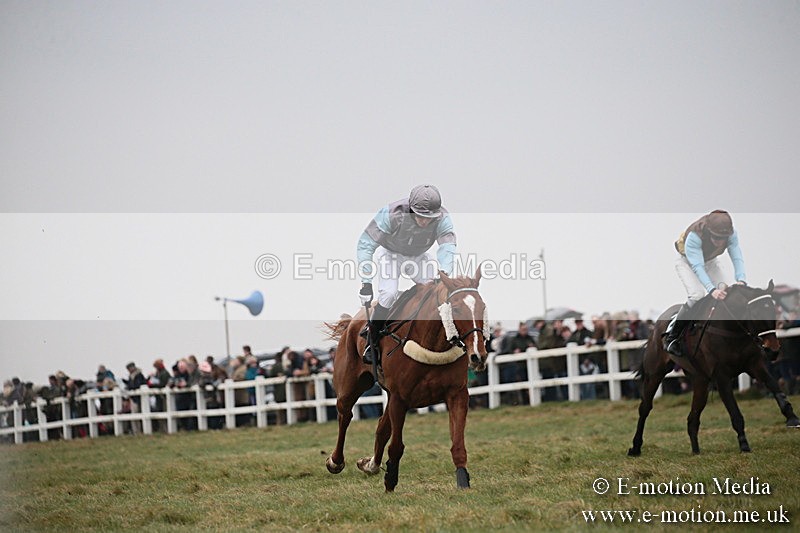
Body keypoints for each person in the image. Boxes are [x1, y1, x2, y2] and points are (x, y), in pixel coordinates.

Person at [357, 184, 457, 364]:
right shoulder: (392, 214)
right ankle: (371, 341)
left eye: (430, 218)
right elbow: (366, 244)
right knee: (388, 294)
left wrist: (445, 274)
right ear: (411, 209)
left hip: (418, 257)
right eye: (420, 216)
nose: (425, 222)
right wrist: (366, 282)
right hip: (390, 254)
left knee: (437, 292)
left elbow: (447, 246)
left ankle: (446, 335)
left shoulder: (443, 217)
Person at [663, 210, 747, 357]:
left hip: (710, 261)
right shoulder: (695, 236)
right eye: (715, 237)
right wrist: (711, 289)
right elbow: (697, 267)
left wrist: (741, 279)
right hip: (688, 262)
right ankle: (672, 336)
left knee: (728, 293)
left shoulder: (732, 235)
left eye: (723, 238)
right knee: (697, 295)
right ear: (708, 231)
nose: (719, 242)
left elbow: (737, 256)